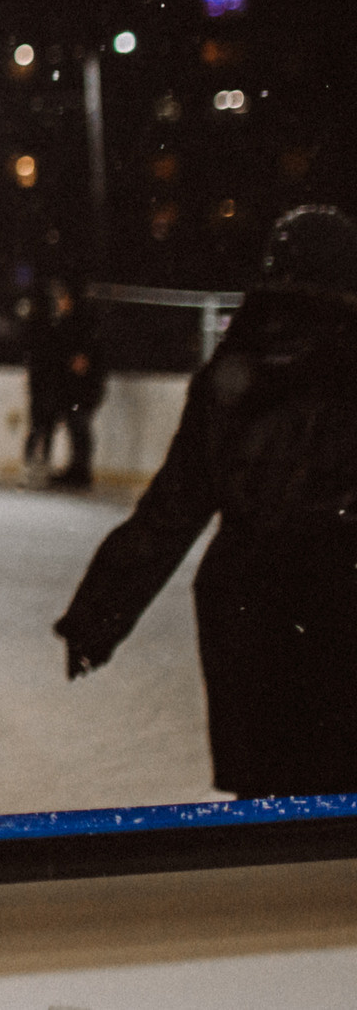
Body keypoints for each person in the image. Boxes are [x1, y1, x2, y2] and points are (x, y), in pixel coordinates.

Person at [56, 207, 357, 799]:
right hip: (340, 593)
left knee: (265, 788)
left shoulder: (235, 367)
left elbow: (174, 504)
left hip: (245, 598)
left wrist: (100, 612)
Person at [26, 278, 105, 490]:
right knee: (75, 427)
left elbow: (81, 360)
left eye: (62, 298)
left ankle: (80, 471)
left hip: (80, 389)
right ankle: (77, 470)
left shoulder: (80, 325)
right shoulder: (71, 324)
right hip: (74, 388)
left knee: (78, 427)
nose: (60, 303)